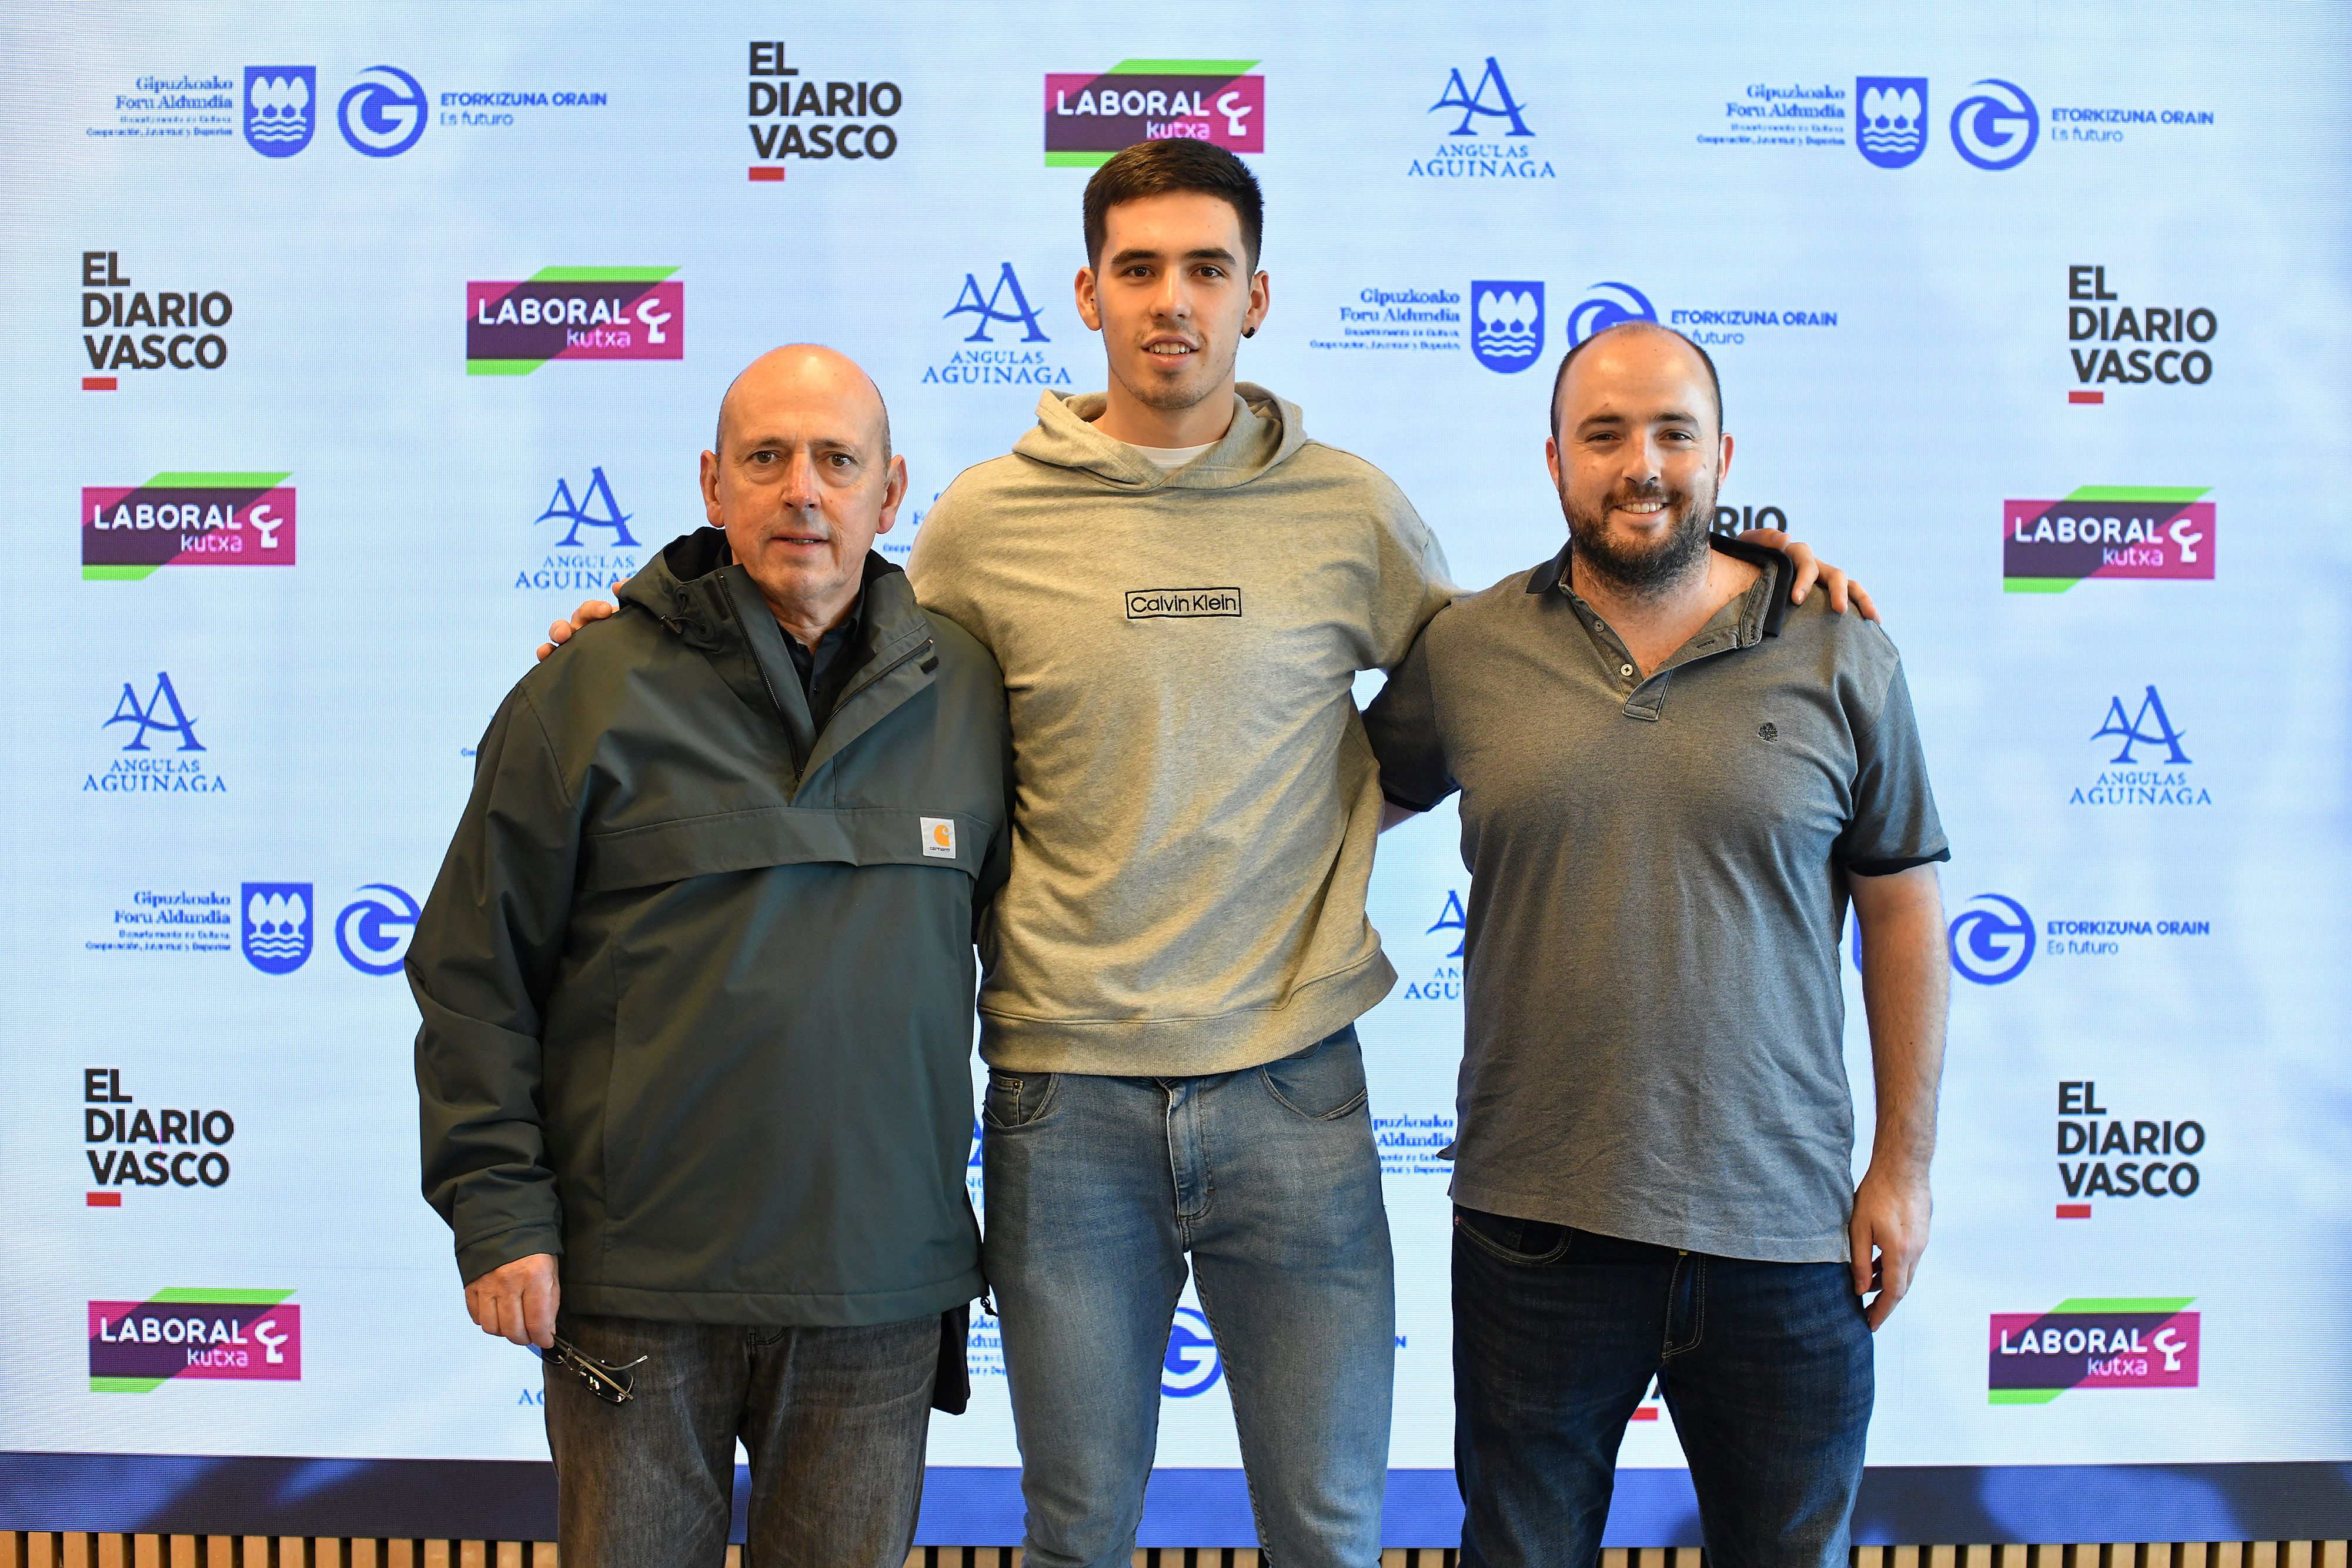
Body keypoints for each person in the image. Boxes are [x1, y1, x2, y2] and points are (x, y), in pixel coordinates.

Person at [540, 143, 1867, 1568]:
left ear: (1257, 296)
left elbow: (1529, 650)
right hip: (1065, 1108)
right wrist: (644, 625)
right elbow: (827, 638)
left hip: (1292, 1093)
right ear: (1087, 295)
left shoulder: (1346, 508)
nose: (1171, 300)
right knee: (1076, 1533)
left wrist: (1739, 563)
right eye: (1138, 270)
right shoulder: (984, 518)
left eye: (1205, 269)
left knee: (1329, 1531)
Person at [411, 345, 1011, 1567]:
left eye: (838, 462)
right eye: (767, 457)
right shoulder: (582, 693)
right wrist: (497, 1208)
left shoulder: (973, 693)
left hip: (874, 1287)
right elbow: (476, 970)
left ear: (890, 496)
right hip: (636, 1288)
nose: (803, 489)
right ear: (711, 482)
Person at [1364, 320, 1950, 1568]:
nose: (1642, 464)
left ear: (1722, 454)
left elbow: (1902, 902)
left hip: (1784, 1233)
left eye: (1674, 433)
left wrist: (1899, 1165)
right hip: (1535, 1226)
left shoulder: (1838, 646)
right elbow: (1325, 804)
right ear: (1552, 459)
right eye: (1605, 434)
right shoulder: (1467, 651)